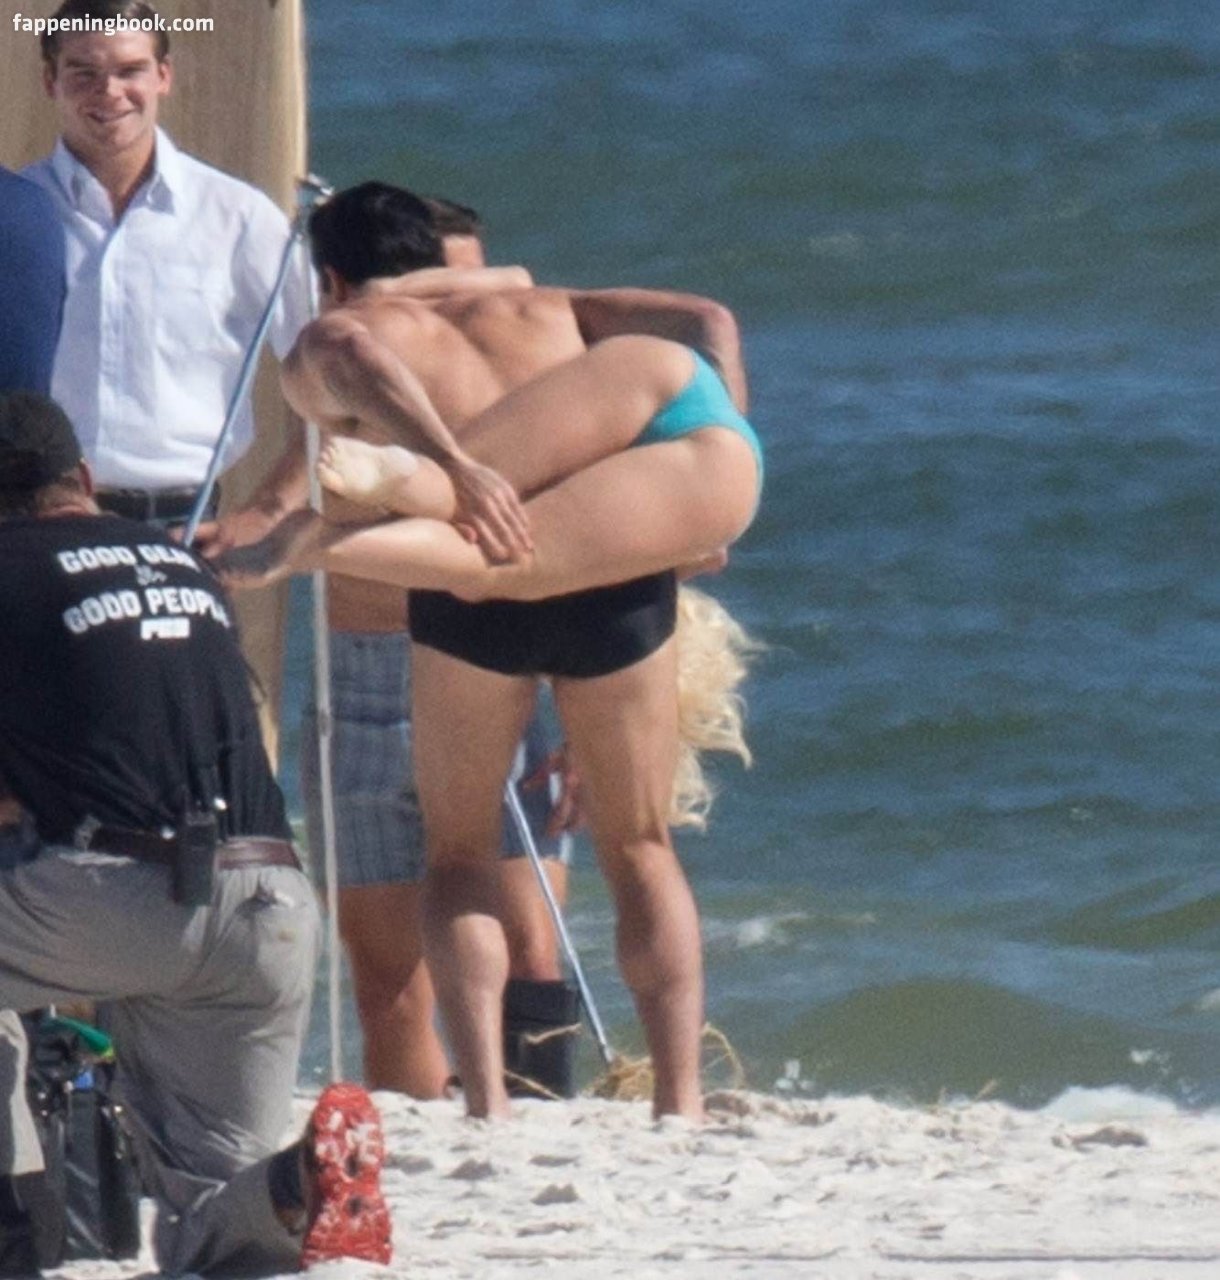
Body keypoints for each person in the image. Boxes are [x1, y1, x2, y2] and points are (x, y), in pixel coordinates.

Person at [219, 183, 762, 1122]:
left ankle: (487, 1105)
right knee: (640, 846)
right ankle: (680, 1098)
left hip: (468, 589)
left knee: (459, 853)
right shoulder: (552, 310)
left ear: (332, 277)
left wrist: (454, 464)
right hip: (606, 574)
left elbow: (346, 351)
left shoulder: (360, 324)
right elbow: (708, 320)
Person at [0, 391, 390, 1276]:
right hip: (269, 900)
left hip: (114, 896)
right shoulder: (181, 564)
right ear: (85, 479)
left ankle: (13, 1224)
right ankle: (295, 1183)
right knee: (213, 1219)